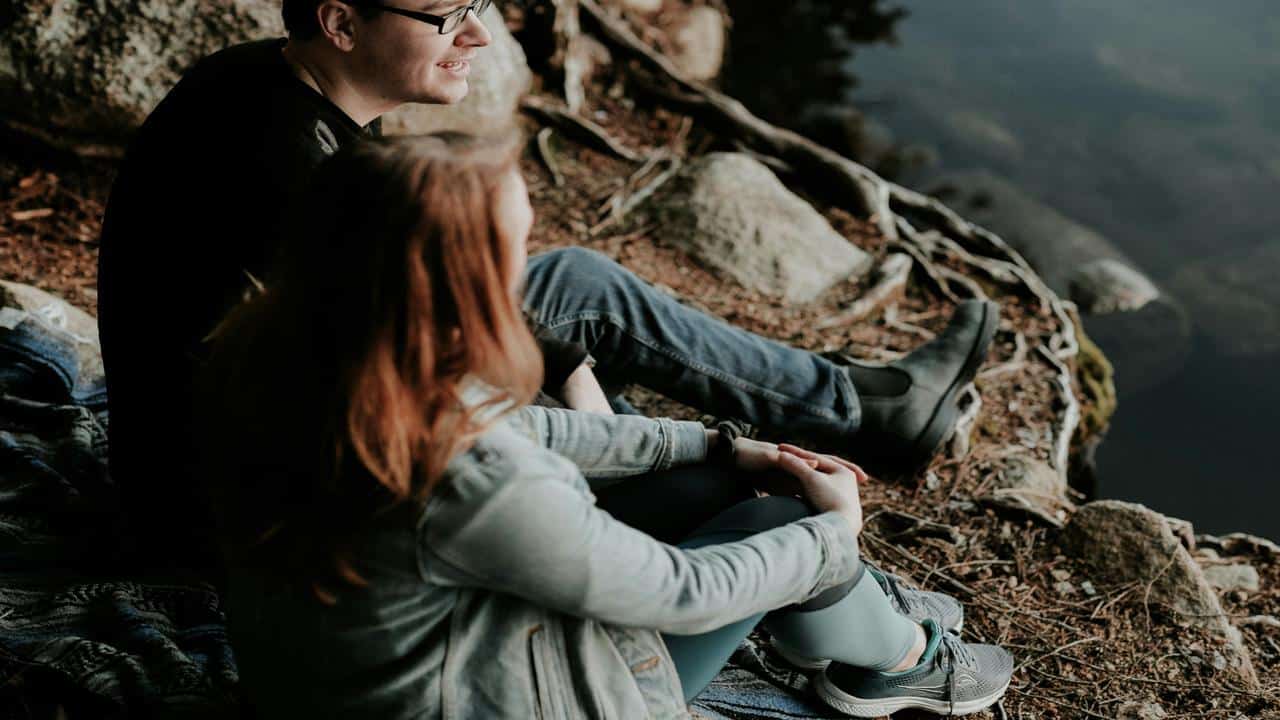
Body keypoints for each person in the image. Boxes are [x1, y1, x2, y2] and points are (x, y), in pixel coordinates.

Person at [97, 0, 996, 571]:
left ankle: (861, 401)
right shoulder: (283, 162)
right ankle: (864, 410)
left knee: (567, 290)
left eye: (475, 6)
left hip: (259, 444)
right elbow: (407, 375)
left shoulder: (270, 89)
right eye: (447, 15)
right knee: (581, 304)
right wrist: (590, 413)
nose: (479, 36)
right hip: (231, 513)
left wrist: (570, 376)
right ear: (341, 23)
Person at [196, 131, 1014, 718]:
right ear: (459, 289)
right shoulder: (467, 482)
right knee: (781, 521)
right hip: (487, 690)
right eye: (514, 252)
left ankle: (846, 626)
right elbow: (681, 590)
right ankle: (905, 660)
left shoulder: (299, 363)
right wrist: (832, 536)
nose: (528, 269)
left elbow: (536, 434)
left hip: (351, 680)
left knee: (721, 480)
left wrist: (718, 443)